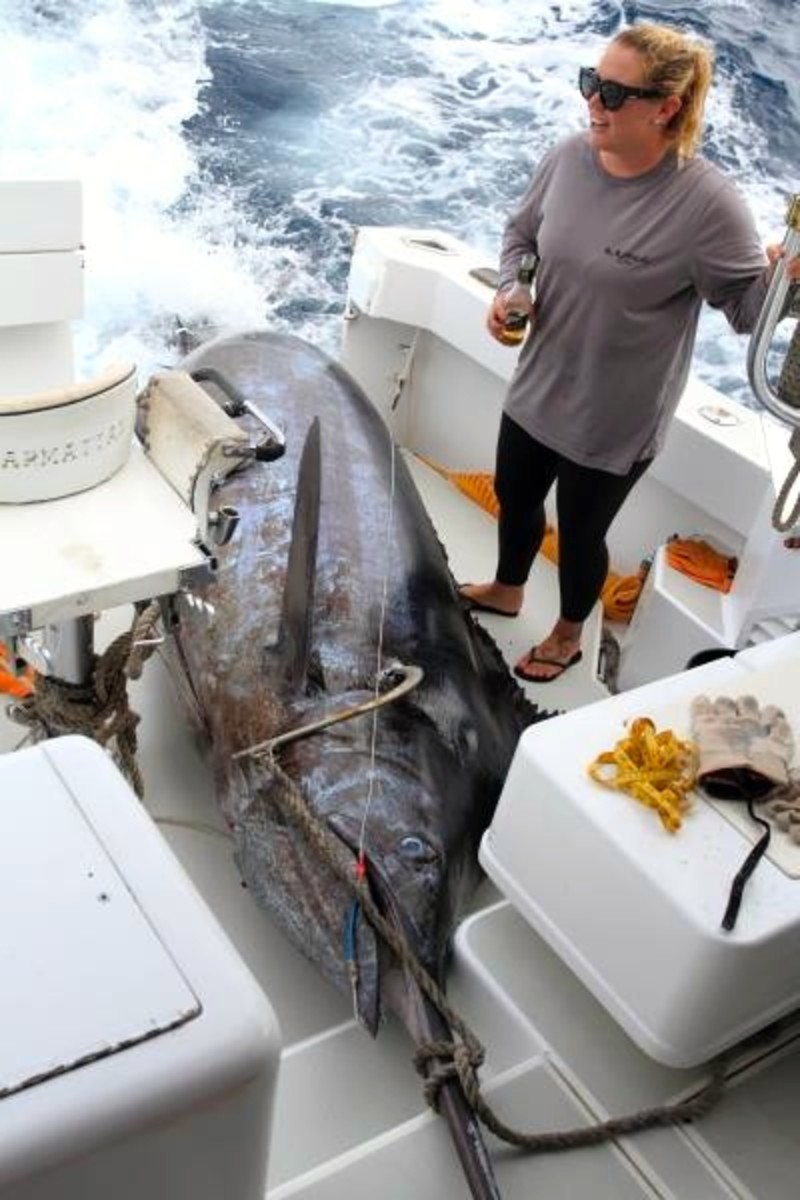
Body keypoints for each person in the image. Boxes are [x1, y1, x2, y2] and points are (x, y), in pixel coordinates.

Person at [460, 22, 800, 683]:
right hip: (540, 384)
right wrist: (511, 288)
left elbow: (747, 312)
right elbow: (522, 234)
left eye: (613, 93)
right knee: (514, 494)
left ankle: (566, 636)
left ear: (666, 107)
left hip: (616, 417)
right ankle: (508, 588)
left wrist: (784, 282)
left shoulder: (708, 205)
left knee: (582, 534)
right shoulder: (567, 157)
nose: (593, 103)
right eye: (591, 83)